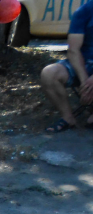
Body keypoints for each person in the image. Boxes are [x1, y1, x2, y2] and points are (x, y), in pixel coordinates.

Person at [41, 0, 93, 133]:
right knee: (49, 73)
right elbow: (73, 50)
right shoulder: (84, 11)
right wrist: (85, 83)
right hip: (85, 63)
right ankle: (68, 118)